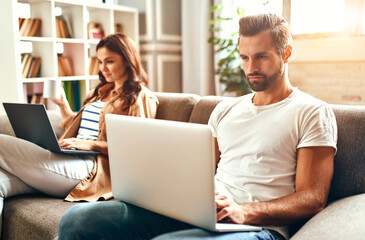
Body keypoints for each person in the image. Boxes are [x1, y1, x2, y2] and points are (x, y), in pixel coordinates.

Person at [58, 13, 337, 240]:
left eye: (261, 56)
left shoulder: (311, 112)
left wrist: (244, 211)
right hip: (204, 212)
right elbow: (199, 170)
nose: (251, 66)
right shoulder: (226, 109)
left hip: (258, 228)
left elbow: (312, 198)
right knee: (79, 221)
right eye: (244, 57)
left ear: (286, 53)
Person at [0, 33, 158, 234]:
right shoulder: (99, 92)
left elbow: (138, 149)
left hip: (92, 167)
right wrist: (63, 106)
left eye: (110, 61)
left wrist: (91, 145)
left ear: (128, 60)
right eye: (100, 62)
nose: (103, 68)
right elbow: (80, 126)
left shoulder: (141, 98)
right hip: (71, 157)